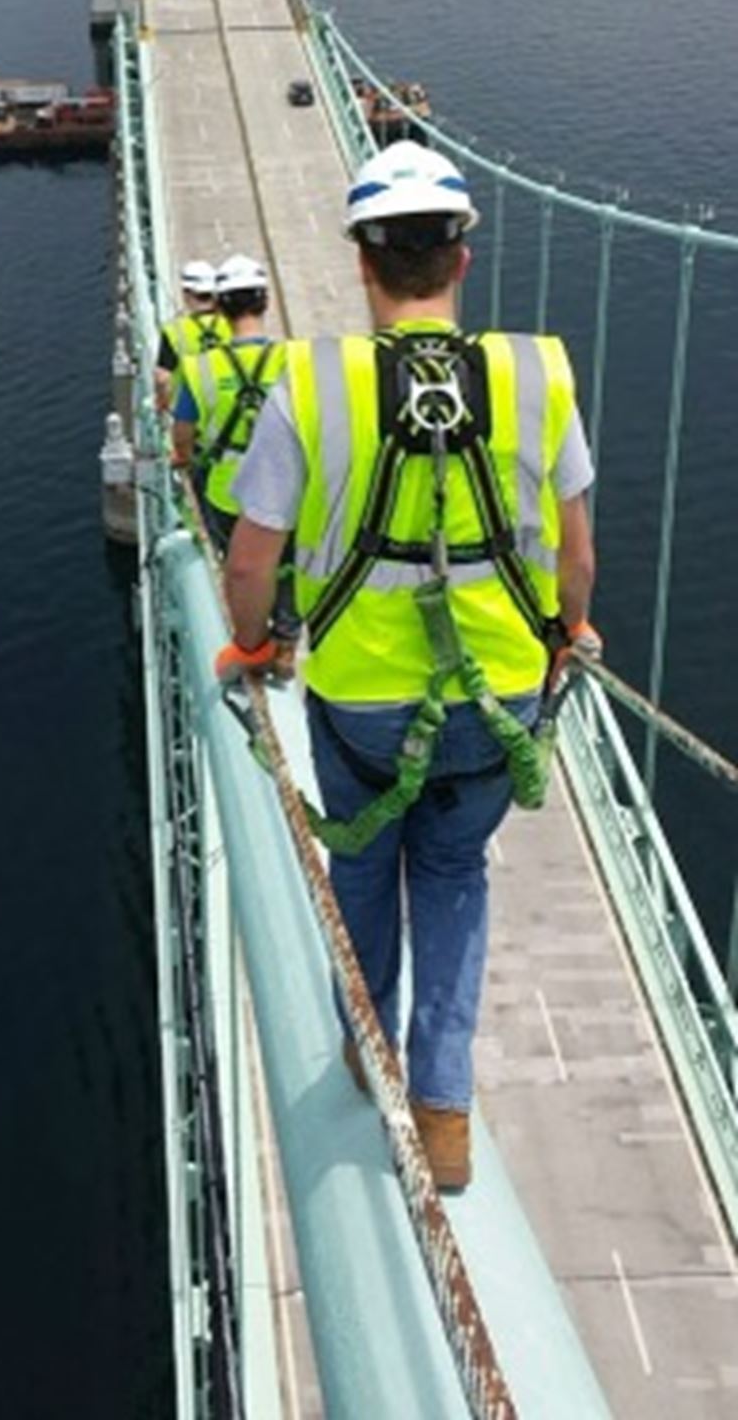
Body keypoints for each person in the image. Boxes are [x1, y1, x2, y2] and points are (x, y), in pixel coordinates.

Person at [220, 141, 598, 1193]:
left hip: (357, 708)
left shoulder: (307, 380)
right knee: (450, 875)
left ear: (360, 262)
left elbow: (251, 556)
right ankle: (442, 1109)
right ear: (461, 259)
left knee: (361, 866)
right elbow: (574, 555)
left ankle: (365, 1046)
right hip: (501, 699)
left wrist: (254, 644)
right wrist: (568, 630)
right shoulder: (539, 371)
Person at [173, 255, 298, 653]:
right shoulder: (296, 361)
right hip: (289, 486)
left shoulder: (198, 369)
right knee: (289, 564)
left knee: (240, 565)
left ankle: (252, 641)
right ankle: (287, 642)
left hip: (227, 490)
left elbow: (183, 434)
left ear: (220, 307)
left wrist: (184, 457)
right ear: (265, 302)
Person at [155, 259, 229, 411]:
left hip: (189, 410)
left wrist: (162, 403)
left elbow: (163, 378)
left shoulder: (173, 330)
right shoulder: (231, 323)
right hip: (228, 406)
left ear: (187, 294)